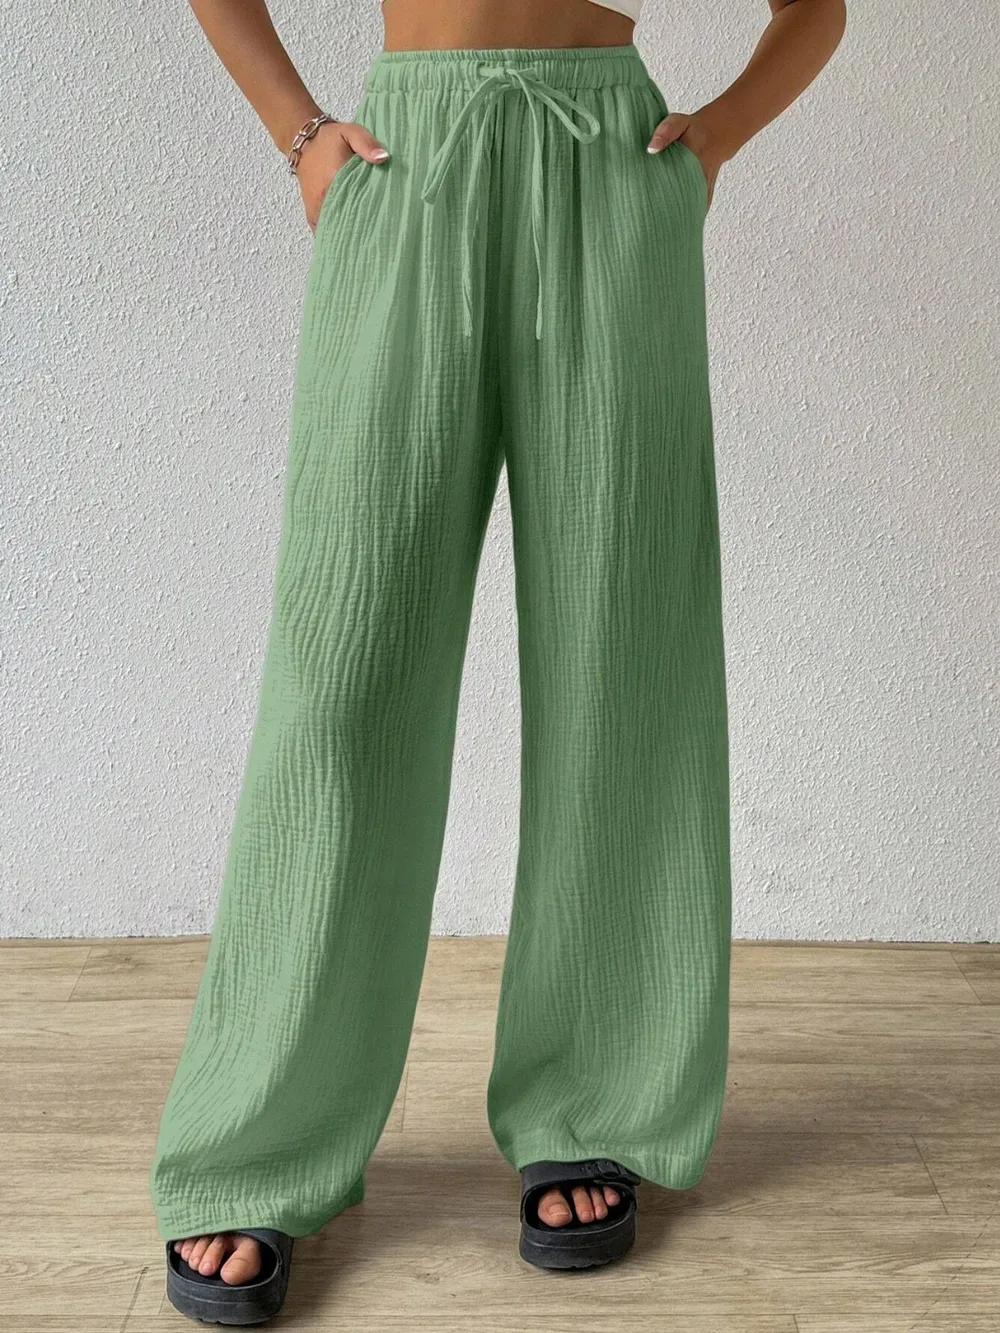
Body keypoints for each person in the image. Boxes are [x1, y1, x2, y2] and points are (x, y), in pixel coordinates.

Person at [149, 0, 847, 1321]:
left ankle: (598, 1100)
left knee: (624, 654)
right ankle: (261, 1137)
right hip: (402, 167)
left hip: (612, 168)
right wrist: (298, 133)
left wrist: (713, 141)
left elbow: (816, 9)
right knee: (344, 673)